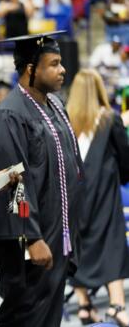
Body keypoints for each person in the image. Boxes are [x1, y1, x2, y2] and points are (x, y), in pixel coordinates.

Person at [0, 31, 84, 327]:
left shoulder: (54, 107)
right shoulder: (8, 116)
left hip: (57, 236)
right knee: (25, 316)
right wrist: (30, 237)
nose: (62, 69)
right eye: (53, 64)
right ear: (31, 69)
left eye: (61, 63)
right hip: (31, 244)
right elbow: (9, 184)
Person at [66, 69, 129, 326]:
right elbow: (125, 160)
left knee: (78, 249)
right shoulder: (109, 119)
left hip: (75, 198)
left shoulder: (66, 121)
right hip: (104, 197)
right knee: (112, 245)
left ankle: (83, 305)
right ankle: (116, 305)